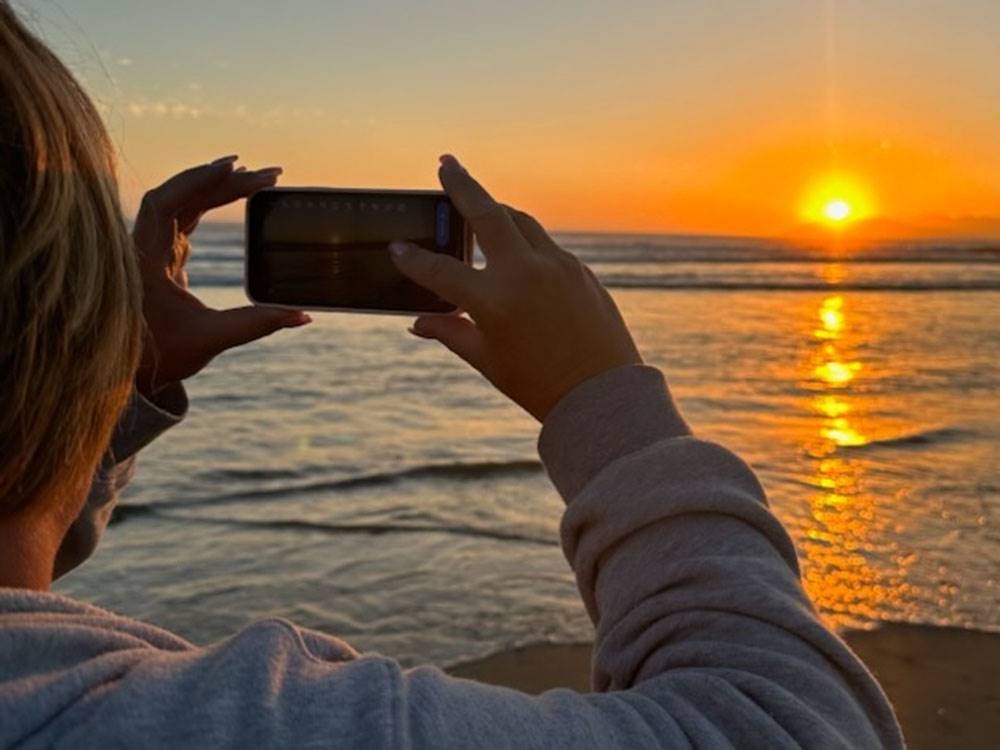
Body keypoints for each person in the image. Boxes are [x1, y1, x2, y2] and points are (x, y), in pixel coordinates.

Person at [0, 5, 903, 748]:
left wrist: (112, 392)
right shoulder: (211, 725)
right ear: (65, 324)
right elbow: (792, 725)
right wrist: (605, 401)